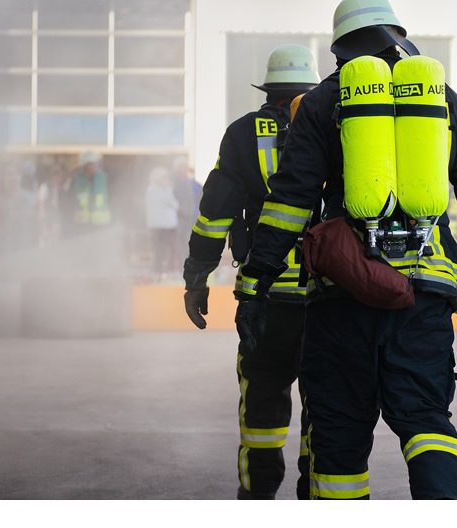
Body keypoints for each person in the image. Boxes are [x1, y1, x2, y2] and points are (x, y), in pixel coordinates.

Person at [232, 0, 457, 499]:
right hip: (423, 294)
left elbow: (289, 202)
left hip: (343, 292)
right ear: (398, 36)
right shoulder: (446, 101)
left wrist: (255, 284)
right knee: (425, 419)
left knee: (337, 434)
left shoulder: (322, 102)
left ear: (339, 48)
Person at [182, 44, 320, 499]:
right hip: (328, 295)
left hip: (264, 297)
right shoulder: (336, 124)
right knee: (327, 407)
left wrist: (197, 275)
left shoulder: (242, 133)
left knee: (261, 402)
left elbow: (215, 214)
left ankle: (256, 499)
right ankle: (317, 497)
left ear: (269, 89)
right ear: (311, 86)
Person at [146, 166, 179, 278]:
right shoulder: (154, 189)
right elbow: (172, 203)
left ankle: (164, 270)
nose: (166, 180)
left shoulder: (162, 189)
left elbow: (175, 204)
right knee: (160, 249)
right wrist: (169, 189)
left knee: (167, 249)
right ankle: (157, 270)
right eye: (164, 178)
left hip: (167, 225)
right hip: (159, 225)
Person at [69, 151, 111, 237]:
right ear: (84, 166)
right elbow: (70, 198)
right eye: (90, 164)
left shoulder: (103, 178)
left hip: (101, 223)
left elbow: (111, 196)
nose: (93, 166)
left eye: (94, 163)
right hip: (82, 224)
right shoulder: (77, 179)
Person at [171, 156, 197, 269]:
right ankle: (177, 266)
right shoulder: (173, 180)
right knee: (176, 242)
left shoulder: (186, 180)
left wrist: (190, 211)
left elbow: (190, 198)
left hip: (188, 216)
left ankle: (185, 265)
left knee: (186, 242)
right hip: (178, 217)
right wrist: (181, 210)